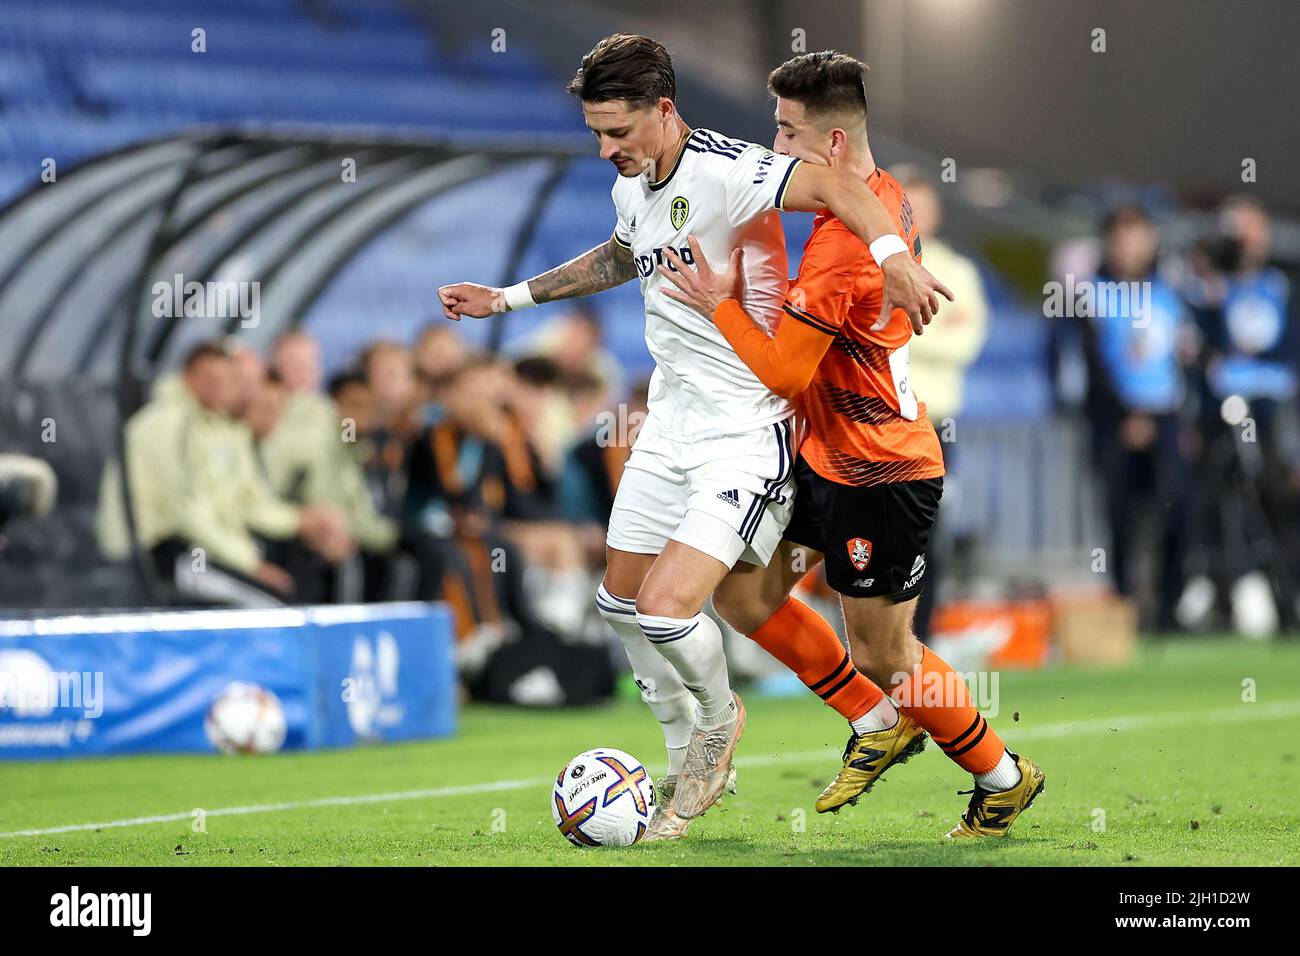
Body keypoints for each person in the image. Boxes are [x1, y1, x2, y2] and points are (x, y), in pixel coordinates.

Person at [438, 33, 953, 840]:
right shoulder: (633, 184)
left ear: (666, 110)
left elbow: (843, 190)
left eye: (619, 132)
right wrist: (503, 301)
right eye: (597, 134)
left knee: (671, 609)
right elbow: (620, 255)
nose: (606, 150)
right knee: (617, 603)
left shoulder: (731, 170)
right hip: (669, 426)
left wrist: (891, 256)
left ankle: (719, 723)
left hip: (744, 432)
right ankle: (684, 745)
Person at [661, 51, 1043, 839]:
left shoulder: (841, 248)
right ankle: (877, 724)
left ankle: (1003, 777)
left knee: (886, 652)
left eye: (787, 130)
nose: (774, 147)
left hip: (879, 472)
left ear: (833, 145)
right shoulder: (879, 203)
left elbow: (784, 370)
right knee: (744, 593)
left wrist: (717, 303)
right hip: (827, 462)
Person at [1078, 205, 1193, 631]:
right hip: (1115, 420)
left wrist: (1186, 419)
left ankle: (1169, 606)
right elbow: (1089, 362)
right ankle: (1125, 606)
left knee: (1176, 505)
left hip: (1166, 416)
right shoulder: (1091, 293)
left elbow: (1184, 358)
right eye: (1122, 238)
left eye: (1138, 236)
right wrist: (1126, 414)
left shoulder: (1171, 290)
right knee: (1120, 514)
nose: (1130, 247)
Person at [895, 173, 990, 642]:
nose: (918, 214)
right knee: (879, 531)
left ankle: (921, 636)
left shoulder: (959, 271)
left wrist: (901, 331)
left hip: (935, 421)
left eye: (925, 205)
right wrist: (933, 326)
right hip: (883, 414)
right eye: (909, 204)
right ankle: (878, 641)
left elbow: (966, 344)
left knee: (928, 532)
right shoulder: (878, 261)